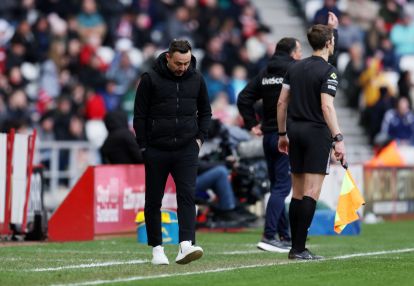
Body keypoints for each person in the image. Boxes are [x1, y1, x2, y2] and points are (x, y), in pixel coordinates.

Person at [133, 39, 212, 265]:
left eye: (187, 63)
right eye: (179, 63)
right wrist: (144, 147)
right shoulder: (150, 79)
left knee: (187, 196)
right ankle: (157, 250)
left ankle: (185, 245)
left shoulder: (197, 78)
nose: (183, 68)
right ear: (168, 57)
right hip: (156, 149)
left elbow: (206, 112)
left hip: (187, 148)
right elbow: (139, 116)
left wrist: (199, 139)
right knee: (153, 201)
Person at [277, 12, 345, 260]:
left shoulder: (294, 68)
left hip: (294, 131)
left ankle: (295, 247)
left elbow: (282, 102)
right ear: (328, 43)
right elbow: (327, 106)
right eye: (332, 40)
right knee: (311, 192)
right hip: (317, 132)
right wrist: (338, 137)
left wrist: (282, 133)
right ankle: (298, 248)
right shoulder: (329, 71)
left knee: (296, 192)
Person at [237, 37, 303, 253]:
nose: (301, 55)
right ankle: (269, 235)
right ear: (292, 53)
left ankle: (284, 236)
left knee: (277, 188)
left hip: (268, 138)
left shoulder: (265, 73)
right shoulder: (295, 69)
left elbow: (243, 97)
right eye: (300, 50)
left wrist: (252, 124)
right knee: (283, 188)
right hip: (285, 137)